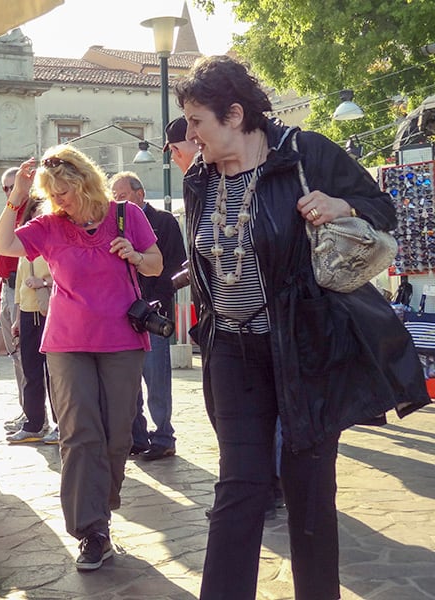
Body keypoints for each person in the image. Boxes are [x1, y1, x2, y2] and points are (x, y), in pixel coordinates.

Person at [174, 55, 429, 600]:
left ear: (235, 114)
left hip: (306, 348)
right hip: (232, 350)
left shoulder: (304, 153)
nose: (189, 134)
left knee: (308, 488)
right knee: (239, 487)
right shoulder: (200, 179)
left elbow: (382, 209)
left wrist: (338, 204)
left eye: (197, 121)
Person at [0, 145, 162, 571]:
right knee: (78, 434)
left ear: (84, 182)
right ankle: (91, 530)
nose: (59, 200)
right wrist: (19, 196)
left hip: (122, 338)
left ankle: (100, 505)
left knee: (117, 435)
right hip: (67, 341)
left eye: (63, 191)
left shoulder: (126, 215)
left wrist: (136, 256)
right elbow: (3, 244)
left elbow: (156, 265)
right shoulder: (49, 225)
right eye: (52, 193)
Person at [110, 172, 186, 461]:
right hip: (123, 312)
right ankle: (137, 436)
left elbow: (176, 266)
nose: (117, 200)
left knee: (156, 378)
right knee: (129, 380)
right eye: (114, 195)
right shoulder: (115, 224)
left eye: (123, 194)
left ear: (139, 194)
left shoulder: (164, 221)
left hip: (153, 312)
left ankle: (163, 436)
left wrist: (152, 297)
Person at [7, 199, 56, 444]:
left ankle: (59, 424)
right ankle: (34, 423)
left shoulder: (54, 241)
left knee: (54, 373)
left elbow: (62, 278)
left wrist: (44, 283)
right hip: (28, 313)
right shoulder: (26, 246)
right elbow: (18, 286)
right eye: (35, 214)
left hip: (51, 312)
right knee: (31, 371)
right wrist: (17, 318)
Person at [0, 168, 28, 433]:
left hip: (23, 288)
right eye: (5, 188)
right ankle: (26, 409)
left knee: (26, 354)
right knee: (15, 355)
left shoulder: (32, 212)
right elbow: (2, 255)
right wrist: (0, 296)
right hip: (7, 288)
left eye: (13, 186)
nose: (10, 192)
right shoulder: (12, 211)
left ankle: (34, 413)